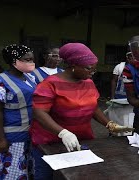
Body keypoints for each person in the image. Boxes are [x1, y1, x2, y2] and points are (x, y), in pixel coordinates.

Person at [29, 43, 133, 180]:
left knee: (79, 175)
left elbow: (93, 107)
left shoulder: (88, 83)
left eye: (94, 69)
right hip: (51, 142)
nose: (92, 72)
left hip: (80, 140)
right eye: (88, 68)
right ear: (73, 66)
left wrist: (110, 125)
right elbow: (39, 112)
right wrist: (63, 133)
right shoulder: (50, 84)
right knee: (47, 176)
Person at [0, 44, 36, 179]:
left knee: (28, 171)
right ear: (14, 61)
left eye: (32, 59)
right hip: (13, 136)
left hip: (31, 133)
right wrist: (0, 139)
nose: (31, 63)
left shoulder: (29, 78)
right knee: (13, 172)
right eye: (27, 60)